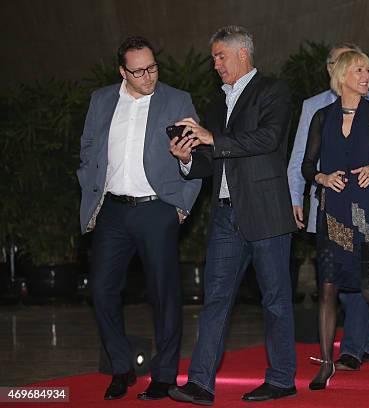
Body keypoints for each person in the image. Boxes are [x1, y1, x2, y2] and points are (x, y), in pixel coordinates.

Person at [167, 26, 297, 405]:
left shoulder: (273, 90)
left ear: (243, 54)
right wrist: (188, 156)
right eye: (214, 58)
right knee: (216, 300)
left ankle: (281, 378)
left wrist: (211, 139)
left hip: (266, 213)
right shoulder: (215, 101)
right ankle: (201, 383)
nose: (216, 63)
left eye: (221, 56)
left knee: (275, 299)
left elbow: (267, 139)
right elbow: (212, 160)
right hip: (225, 216)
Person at [77, 36, 202, 400]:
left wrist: (180, 203)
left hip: (157, 208)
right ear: (123, 72)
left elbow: (196, 159)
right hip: (113, 210)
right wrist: (91, 192)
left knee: (164, 294)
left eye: (152, 67)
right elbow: (87, 151)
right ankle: (121, 367)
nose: (148, 76)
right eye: (138, 71)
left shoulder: (177, 100)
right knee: (101, 290)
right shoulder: (101, 100)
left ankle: (163, 375)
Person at [287, 42, 369, 371]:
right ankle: (326, 362)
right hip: (334, 212)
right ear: (341, 75)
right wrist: (322, 178)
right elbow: (306, 164)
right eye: (359, 69)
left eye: (368, 70)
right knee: (329, 284)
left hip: (367, 211)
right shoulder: (320, 115)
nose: (366, 75)